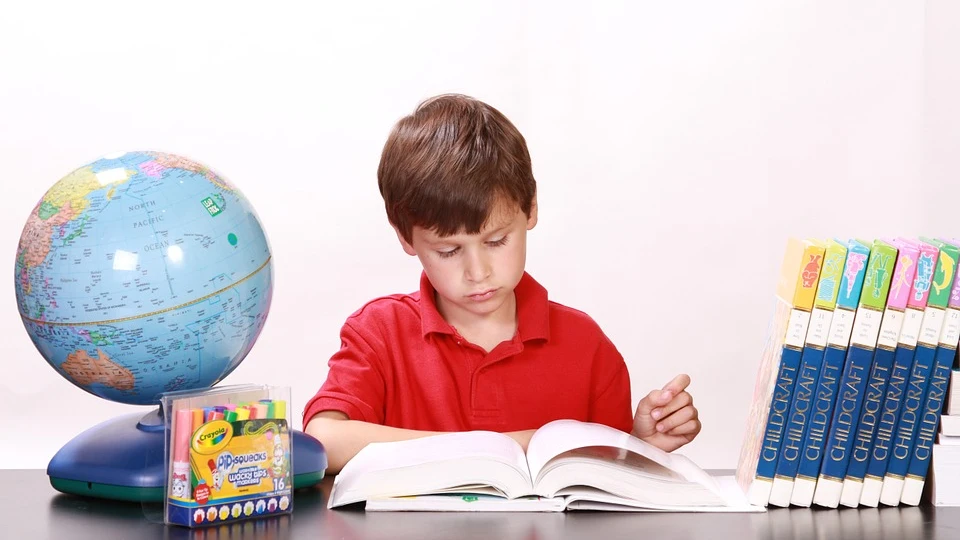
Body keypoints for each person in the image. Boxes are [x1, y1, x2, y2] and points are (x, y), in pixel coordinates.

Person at [303, 94, 700, 473]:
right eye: (448, 251)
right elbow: (325, 439)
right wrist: (507, 446)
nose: (478, 272)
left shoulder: (587, 345)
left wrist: (639, 445)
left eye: (495, 242)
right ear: (406, 238)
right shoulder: (379, 332)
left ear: (530, 209)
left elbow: (608, 474)